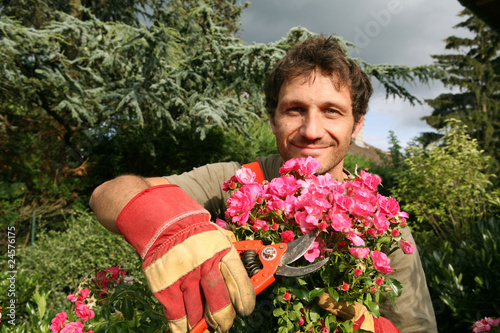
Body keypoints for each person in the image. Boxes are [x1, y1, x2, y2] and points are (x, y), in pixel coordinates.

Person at [89, 35, 438, 333]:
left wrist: (358, 321)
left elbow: (416, 327)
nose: (312, 130)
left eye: (332, 111)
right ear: (273, 119)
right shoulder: (237, 182)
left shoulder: (381, 225)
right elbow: (107, 195)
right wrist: (172, 228)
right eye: (294, 110)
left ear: (357, 124)